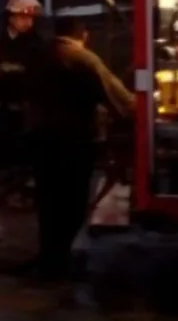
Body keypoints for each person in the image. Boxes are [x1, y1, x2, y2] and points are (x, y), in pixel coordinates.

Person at [22, 16, 135, 280]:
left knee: (48, 203)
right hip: (72, 141)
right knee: (71, 203)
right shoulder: (82, 58)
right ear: (82, 33)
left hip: (40, 139)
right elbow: (116, 95)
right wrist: (140, 108)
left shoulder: (39, 55)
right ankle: (59, 263)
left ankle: (49, 259)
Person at [0, 0, 45, 171]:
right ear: (11, 17)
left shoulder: (36, 42)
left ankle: (21, 167)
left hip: (23, 96)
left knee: (22, 133)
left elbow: (38, 67)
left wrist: (18, 70)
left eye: (30, 18)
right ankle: (0, 165)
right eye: (23, 17)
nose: (27, 22)